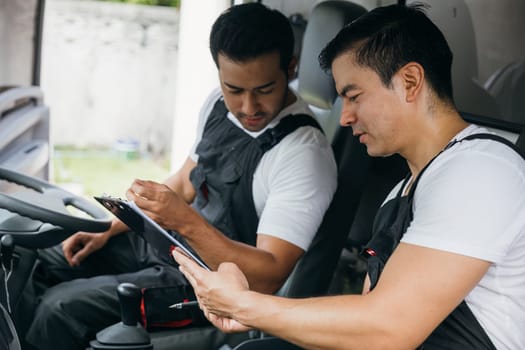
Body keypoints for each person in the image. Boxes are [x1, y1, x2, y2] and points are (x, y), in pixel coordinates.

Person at [174, 4, 525, 350]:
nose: (345, 117)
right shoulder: (402, 195)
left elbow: (387, 328)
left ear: (410, 81)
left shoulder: (480, 170)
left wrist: (245, 305)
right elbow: (363, 326)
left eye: (353, 97)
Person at [24, 3, 337, 349]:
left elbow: (266, 279)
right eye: (234, 89)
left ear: (290, 67)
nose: (248, 108)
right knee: (33, 256)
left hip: (207, 289)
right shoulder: (217, 105)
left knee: (60, 308)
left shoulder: (303, 154)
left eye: (264, 90)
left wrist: (186, 222)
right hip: (165, 247)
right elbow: (186, 181)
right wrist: (109, 227)